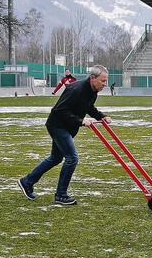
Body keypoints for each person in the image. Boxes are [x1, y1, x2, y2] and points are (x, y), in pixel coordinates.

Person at [17, 65, 110, 205]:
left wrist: (102, 117)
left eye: (105, 81)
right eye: (102, 81)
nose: (105, 84)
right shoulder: (76, 89)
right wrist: (81, 121)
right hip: (58, 126)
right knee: (72, 158)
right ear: (92, 78)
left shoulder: (92, 91)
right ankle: (61, 195)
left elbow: (89, 107)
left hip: (67, 127)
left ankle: (27, 181)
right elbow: (60, 110)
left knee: (55, 158)